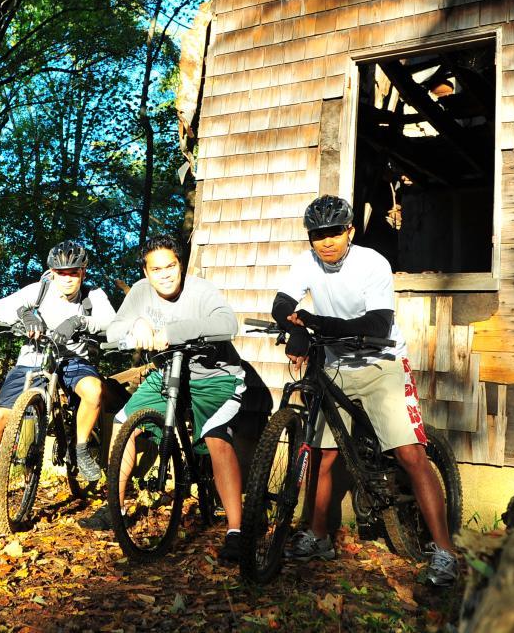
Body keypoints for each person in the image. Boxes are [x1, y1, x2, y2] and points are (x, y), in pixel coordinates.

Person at [271, 195, 460, 587]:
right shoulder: (305, 263)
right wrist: (297, 332)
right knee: (323, 456)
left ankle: (445, 551)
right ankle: (319, 537)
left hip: (380, 362)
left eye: (334, 233)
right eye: (317, 235)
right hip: (336, 365)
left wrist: (314, 323)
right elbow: (282, 305)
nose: (326, 242)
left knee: (409, 453)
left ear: (350, 231)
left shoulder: (372, 263)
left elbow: (377, 323)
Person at [83, 234, 269, 565]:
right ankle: (118, 509)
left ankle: (237, 531)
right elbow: (114, 330)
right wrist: (136, 323)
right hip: (168, 375)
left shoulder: (201, 290)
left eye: (171, 266)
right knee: (124, 422)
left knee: (215, 438)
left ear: (180, 265)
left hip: (216, 378)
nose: (165, 274)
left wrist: (172, 332)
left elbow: (227, 324)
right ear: (146, 271)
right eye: (156, 269)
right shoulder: (140, 292)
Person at [0, 240, 115, 512]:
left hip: (73, 360)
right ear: (51, 273)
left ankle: (81, 447)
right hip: (34, 359)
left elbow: (112, 321)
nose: (67, 278)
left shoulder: (93, 295)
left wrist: (79, 322)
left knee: (94, 391)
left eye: (73, 272)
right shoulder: (38, 291)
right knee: (1, 417)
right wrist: (23, 316)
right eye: (61, 273)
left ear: (83, 272)